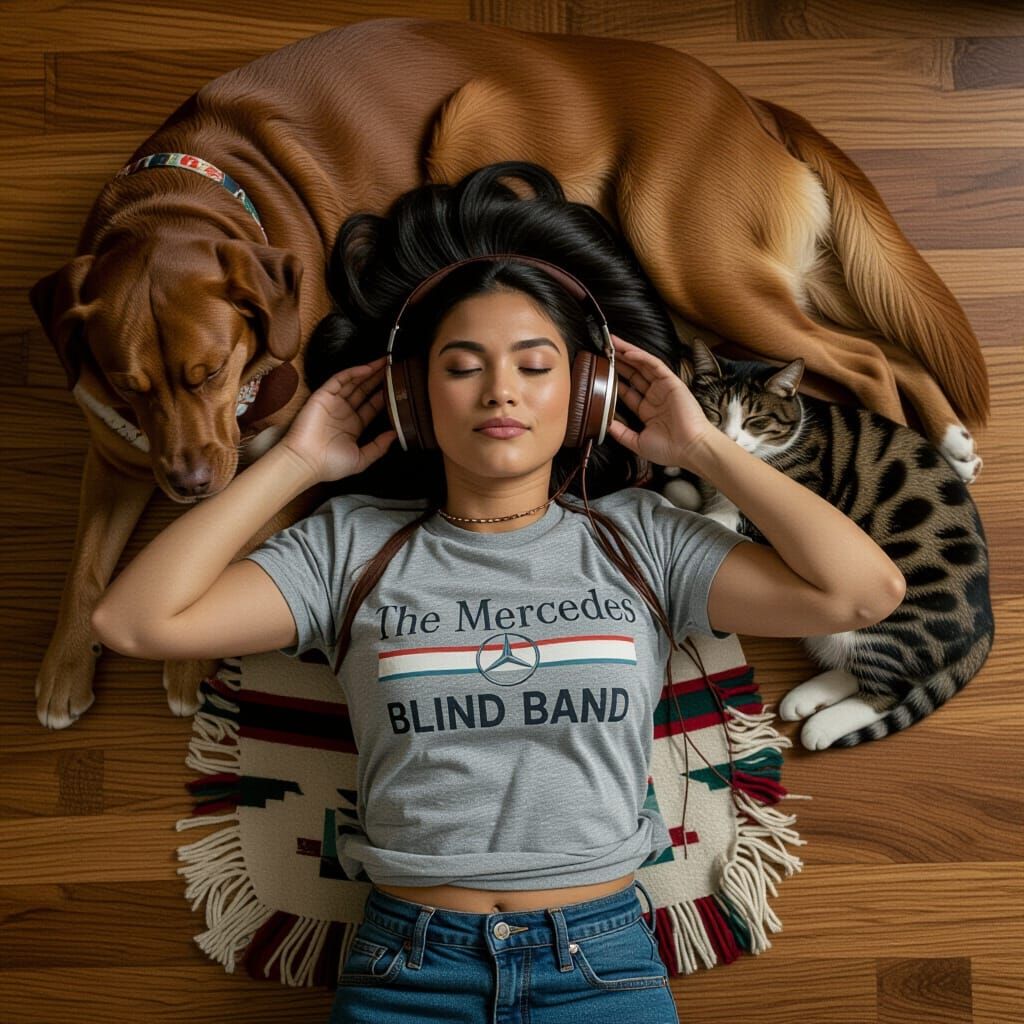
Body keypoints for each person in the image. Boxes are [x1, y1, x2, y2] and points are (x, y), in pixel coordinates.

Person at [91, 163, 905, 1023]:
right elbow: (132, 620)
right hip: (407, 969)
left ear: (584, 392)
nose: (501, 390)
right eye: (462, 365)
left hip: (603, 964)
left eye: (534, 363)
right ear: (414, 396)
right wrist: (298, 459)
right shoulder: (350, 545)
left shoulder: (641, 538)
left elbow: (863, 592)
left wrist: (702, 449)